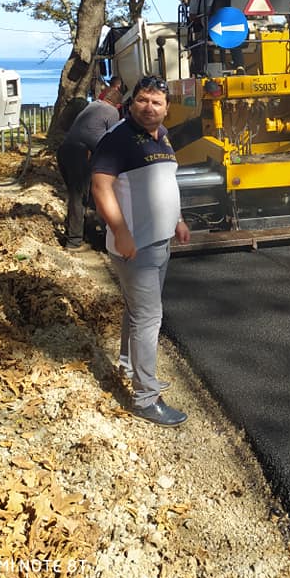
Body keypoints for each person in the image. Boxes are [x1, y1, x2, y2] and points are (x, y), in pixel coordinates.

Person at [91, 75, 190, 427]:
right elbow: (101, 188)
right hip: (136, 246)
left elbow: (165, 180)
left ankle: (128, 366)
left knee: (137, 311)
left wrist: (177, 219)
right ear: (131, 103)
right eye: (143, 100)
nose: (150, 107)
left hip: (159, 239)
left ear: (166, 108)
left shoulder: (162, 136)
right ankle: (146, 397)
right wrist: (121, 232)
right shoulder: (116, 139)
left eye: (157, 102)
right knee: (149, 318)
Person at [57, 85, 124, 250]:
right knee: (80, 197)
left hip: (64, 151)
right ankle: (74, 241)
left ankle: (83, 233)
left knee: (79, 196)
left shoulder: (92, 106)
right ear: (118, 105)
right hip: (79, 153)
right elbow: (112, 141)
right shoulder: (112, 112)